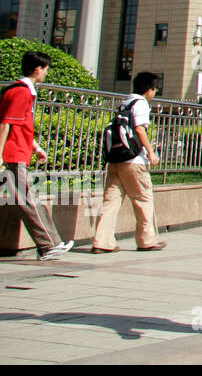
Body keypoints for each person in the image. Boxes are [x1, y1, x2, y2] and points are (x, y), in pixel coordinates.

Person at [0, 51, 73, 261]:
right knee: (28, 199)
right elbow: (6, 124)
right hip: (14, 153)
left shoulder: (20, 90)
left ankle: (49, 244)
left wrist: (35, 147)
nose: (46, 74)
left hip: (19, 150)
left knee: (27, 198)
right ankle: (48, 245)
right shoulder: (21, 92)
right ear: (37, 69)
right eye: (46, 70)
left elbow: (19, 124)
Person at [91, 71, 166, 253]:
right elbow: (140, 129)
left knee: (111, 201)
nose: (155, 93)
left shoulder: (125, 102)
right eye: (155, 89)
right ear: (149, 89)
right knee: (143, 198)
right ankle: (146, 240)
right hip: (133, 161)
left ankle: (101, 242)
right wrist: (151, 152)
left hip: (116, 159)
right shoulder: (140, 104)